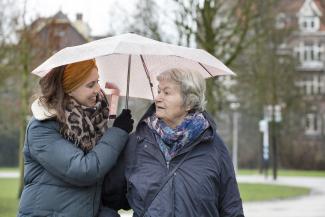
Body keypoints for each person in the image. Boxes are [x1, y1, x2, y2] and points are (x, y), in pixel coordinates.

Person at [101, 68, 244, 217]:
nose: (158, 98)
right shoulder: (136, 143)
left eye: (167, 92)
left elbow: (231, 209)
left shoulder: (213, 146)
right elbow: (107, 201)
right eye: (158, 91)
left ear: (189, 102)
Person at [17, 59, 134, 217]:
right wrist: (118, 132)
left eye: (97, 82)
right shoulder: (43, 126)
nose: (98, 89)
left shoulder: (94, 123)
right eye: (90, 85)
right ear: (70, 88)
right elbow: (84, 171)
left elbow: (95, 187)